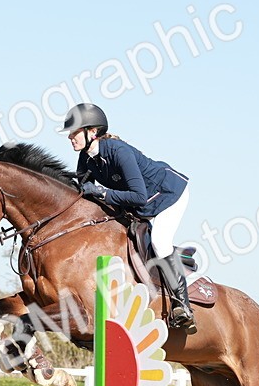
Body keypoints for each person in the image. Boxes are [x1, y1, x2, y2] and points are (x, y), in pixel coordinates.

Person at [59, 103, 196, 334]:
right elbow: (83, 188)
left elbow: (139, 196)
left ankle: (182, 306)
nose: (70, 137)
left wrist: (102, 192)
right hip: (138, 199)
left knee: (159, 241)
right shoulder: (87, 157)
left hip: (167, 193)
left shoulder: (118, 151)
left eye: (74, 132)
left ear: (92, 132)